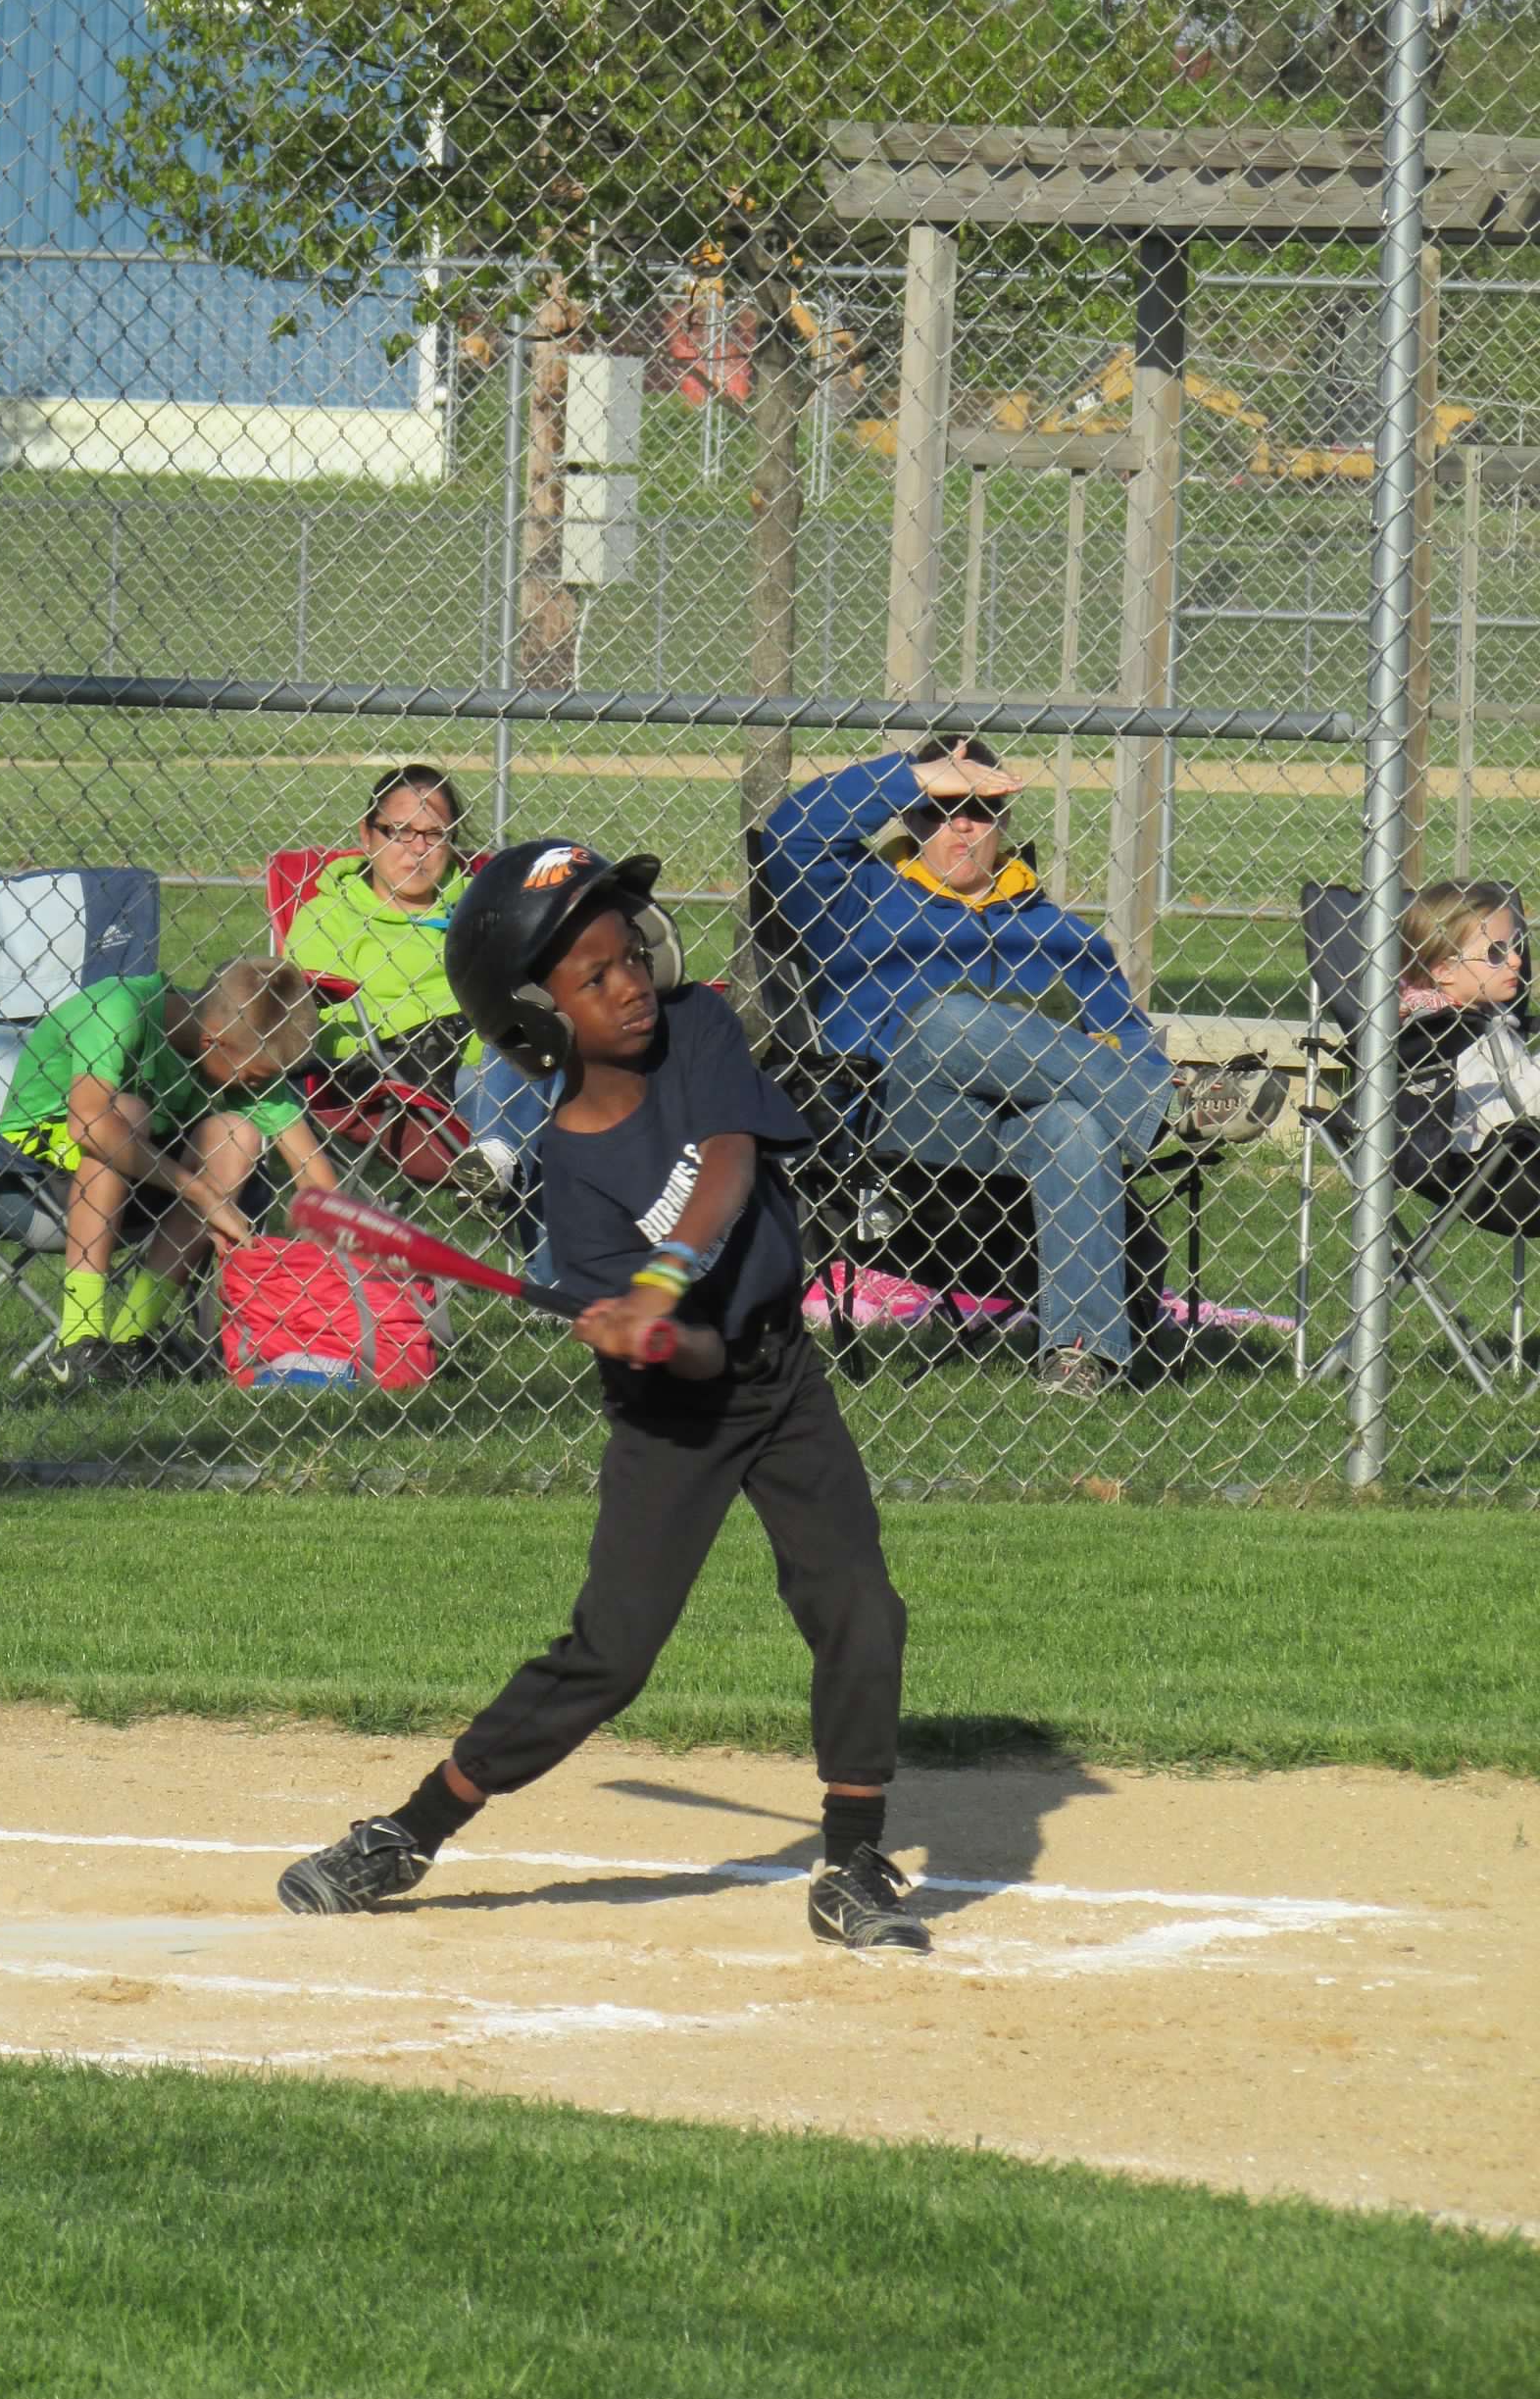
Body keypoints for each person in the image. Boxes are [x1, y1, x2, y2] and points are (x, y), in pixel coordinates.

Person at [274, 838, 925, 1955]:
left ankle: (852, 1857)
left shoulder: (698, 1029)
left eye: (631, 955)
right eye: (593, 977)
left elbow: (729, 1162)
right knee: (611, 1656)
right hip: (678, 1419)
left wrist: (662, 1284)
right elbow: (693, 1366)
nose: (629, 985)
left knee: (860, 1604)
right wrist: (660, 1340)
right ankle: (407, 1831)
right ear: (536, 1017)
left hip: (782, 1376)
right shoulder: (573, 1190)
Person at [761, 734, 1286, 1395]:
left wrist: (1106, 1059)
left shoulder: (1059, 934)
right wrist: (910, 775)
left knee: (1074, 1125)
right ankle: (1167, 1104)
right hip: (898, 1129)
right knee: (949, 1019)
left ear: (1004, 820)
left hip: (1015, 1141)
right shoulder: (856, 898)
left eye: (979, 809)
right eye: (939, 808)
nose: (961, 825)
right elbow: (789, 837)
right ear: (910, 818)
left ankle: (1079, 1357)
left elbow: (1127, 1035)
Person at [0, 956, 339, 1386]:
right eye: (253, 1078)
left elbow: (313, 1173)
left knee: (237, 1135)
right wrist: (203, 1194)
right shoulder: (118, 1008)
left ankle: (129, 1341)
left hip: (142, 1176)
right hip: (36, 1169)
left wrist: (341, 1243)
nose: (257, 1087)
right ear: (212, 1042)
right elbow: (88, 1126)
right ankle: (78, 1336)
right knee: (125, 1113)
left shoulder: (241, 1050)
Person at [280, 765, 557, 1227]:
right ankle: (504, 1159)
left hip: (498, 1065)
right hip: (395, 1086)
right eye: (400, 831)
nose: (418, 848)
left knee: (530, 1057)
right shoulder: (329, 917)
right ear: (367, 835)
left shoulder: (481, 904)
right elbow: (306, 1020)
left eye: (434, 834)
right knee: (555, 1140)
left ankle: (497, 1160)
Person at [1396, 881, 1540, 1227]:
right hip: (1486, 1159)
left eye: (1516, 945)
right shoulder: (1442, 1033)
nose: (1516, 960)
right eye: (1496, 953)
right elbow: (1495, 1113)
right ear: (1444, 970)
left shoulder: (1488, 1015)